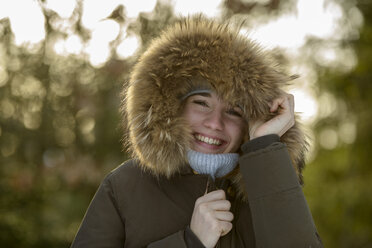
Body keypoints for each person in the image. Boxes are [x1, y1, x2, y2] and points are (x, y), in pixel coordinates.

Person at [71, 16, 323, 247]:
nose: (215, 123)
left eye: (234, 111)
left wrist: (265, 146)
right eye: (202, 103)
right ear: (171, 108)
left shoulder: (269, 184)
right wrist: (191, 242)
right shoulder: (124, 186)